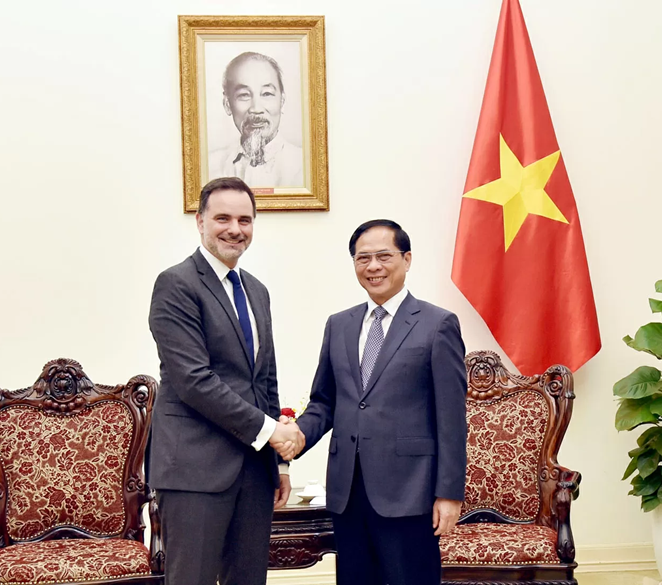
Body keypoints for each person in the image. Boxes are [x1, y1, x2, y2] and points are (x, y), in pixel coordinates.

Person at [294, 219, 468, 585]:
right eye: (363, 258)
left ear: (406, 259)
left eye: (384, 256)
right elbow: (324, 403)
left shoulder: (438, 324)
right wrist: (291, 440)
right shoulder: (338, 325)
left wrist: (449, 493)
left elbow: (451, 418)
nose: (373, 266)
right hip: (347, 493)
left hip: (410, 493)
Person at [148, 176, 302, 585]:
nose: (235, 229)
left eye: (245, 220)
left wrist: (279, 463)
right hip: (194, 471)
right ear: (199, 221)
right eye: (223, 218)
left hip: (253, 471)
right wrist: (272, 432)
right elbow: (193, 380)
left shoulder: (257, 291)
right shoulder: (176, 284)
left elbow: (264, 382)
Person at [209, 51, 304, 188]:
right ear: (227, 104)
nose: (256, 108)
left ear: (282, 101)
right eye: (244, 95)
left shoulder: (304, 167)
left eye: (266, 94)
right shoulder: (211, 167)